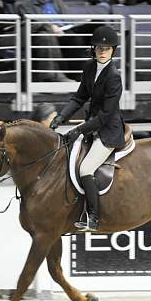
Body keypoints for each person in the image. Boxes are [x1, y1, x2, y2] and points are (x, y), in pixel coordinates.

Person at [49, 25, 125, 232]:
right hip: (92, 125)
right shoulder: (89, 67)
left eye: (106, 48)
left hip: (108, 130)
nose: (102, 51)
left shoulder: (114, 77)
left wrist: (79, 130)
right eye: (99, 48)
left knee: (85, 168)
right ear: (93, 49)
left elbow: (105, 115)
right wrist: (62, 116)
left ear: (113, 50)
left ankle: (93, 217)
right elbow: (79, 97)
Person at [15, 0, 74, 82]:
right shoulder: (24, 4)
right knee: (46, 36)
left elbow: (68, 18)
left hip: (63, 30)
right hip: (40, 33)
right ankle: (53, 75)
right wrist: (50, 27)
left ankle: (79, 75)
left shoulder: (57, 1)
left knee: (76, 38)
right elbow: (34, 23)